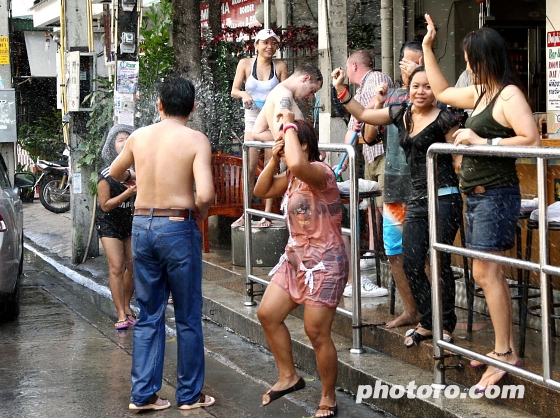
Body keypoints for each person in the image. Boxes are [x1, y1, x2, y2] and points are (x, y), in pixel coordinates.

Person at [422, 14, 540, 391]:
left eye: (470, 60)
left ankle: (505, 354)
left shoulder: (508, 95)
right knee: (485, 273)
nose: (467, 67)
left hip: (495, 196)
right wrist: (427, 46)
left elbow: (531, 139)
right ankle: (500, 347)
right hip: (475, 197)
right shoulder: (482, 93)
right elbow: (441, 91)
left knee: (486, 273)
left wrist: (482, 142)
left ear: (485, 59)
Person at [332, 65, 462, 348]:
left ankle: (446, 324)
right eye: (416, 85)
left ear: (436, 91)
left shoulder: (445, 119)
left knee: (438, 262)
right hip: (417, 197)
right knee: (412, 261)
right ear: (408, 86)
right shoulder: (401, 113)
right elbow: (365, 115)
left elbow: (460, 158)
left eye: (428, 86)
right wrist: (342, 89)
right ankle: (428, 321)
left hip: (445, 196)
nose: (421, 91)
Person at [110, 76, 216, 411]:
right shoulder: (196, 140)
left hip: (142, 224)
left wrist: (134, 178)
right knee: (187, 315)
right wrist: (198, 212)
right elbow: (207, 194)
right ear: (193, 107)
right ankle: (189, 395)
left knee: (150, 313)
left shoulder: (139, 136)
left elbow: (114, 172)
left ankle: (143, 395)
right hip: (177, 227)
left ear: (159, 104)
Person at [254, 112, 347, 418]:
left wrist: (289, 123)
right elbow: (261, 191)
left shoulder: (320, 172)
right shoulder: (292, 178)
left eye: (288, 141)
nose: (282, 146)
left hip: (326, 262)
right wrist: (273, 158)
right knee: (267, 313)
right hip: (295, 259)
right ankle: (288, 376)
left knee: (316, 332)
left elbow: (297, 164)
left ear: (304, 145)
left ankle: (328, 397)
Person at [361, 41, 424, 327]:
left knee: (424, 251)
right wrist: (376, 101)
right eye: (407, 63)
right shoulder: (395, 96)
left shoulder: (433, 94)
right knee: (394, 250)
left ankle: (433, 313)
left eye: (418, 62)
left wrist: (419, 81)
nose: (410, 68)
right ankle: (411, 309)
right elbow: (368, 136)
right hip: (396, 184)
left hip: (424, 187)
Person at [337, 50, 393, 299]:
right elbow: (355, 120)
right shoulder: (359, 88)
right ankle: (371, 250)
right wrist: (347, 152)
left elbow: (369, 110)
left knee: (382, 202)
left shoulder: (378, 78)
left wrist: (360, 112)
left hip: (382, 149)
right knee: (370, 203)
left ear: (353, 65)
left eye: (347, 66)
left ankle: (385, 251)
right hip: (369, 150)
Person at [231, 28, 288, 228]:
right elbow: (234, 90)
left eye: (273, 43)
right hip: (252, 118)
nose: (269, 47)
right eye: (265, 43)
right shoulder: (245, 64)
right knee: (249, 168)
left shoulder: (280, 66)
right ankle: (245, 212)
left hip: (272, 119)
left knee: (271, 165)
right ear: (256, 45)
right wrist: (245, 95)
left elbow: (286, 93)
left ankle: (267, 214)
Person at [96, 124, 137, 330]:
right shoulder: (106, 174)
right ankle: (120, 312)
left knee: (134, 266)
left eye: (127, 138)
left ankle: (127, 305)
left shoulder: (138, 171)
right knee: (117, 267)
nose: (124, 142)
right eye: (120, 139)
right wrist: (126, 194)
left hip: (129, 222)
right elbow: (105, 205)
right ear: (112, 145)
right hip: (109, 223)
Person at [252, 63, 323, 144]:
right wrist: (310, 142)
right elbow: (282, 132)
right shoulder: (285, 95)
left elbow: (257, 133)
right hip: (292, 155)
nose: (310, 96)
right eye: (311, 90)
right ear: (305, 78)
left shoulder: (276, 92)